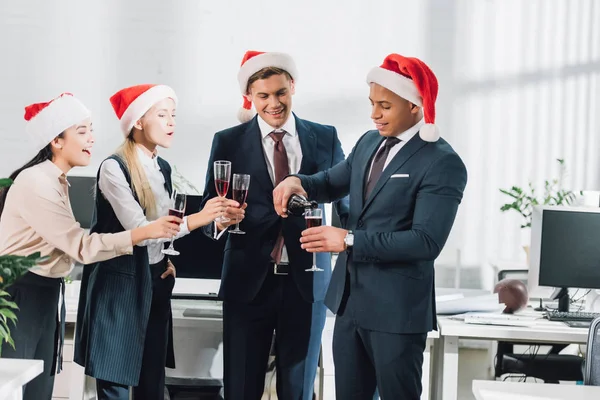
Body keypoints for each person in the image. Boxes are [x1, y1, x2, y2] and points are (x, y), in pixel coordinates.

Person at [273, 54, 468, 399]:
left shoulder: (442, 162)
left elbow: (425, 242)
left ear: (414, 104)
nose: (374, 113)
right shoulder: (368, 142)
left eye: (384, 105)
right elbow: (333, 181)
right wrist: (297, 181)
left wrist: (347, 240)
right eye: (372, 103)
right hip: (350, 305)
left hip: (397, 313)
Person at [0, 93, 181, 400]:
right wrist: (141, 234)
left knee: (37, 388)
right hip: (21, 293)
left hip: (44, 291)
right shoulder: (36, 182)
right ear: (56, 141)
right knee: (17, 387)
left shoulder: (56, 180)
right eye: (82, 131)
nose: (92, 139)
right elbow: (81, 246)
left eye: (92, 130)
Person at [74, 84, 240, 400]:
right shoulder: (113, 167)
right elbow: (141, 228)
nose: (171, 123)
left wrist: (164, 258)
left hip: (155, 281)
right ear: (137, 121)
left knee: (151, 382)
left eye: (173, 115)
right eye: (161, 115)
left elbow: (164, 228)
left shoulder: (161, 166)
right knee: (115, 384)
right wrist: (200, 217)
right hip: (119, 286)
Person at [201, 50, 349, 399]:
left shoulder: (324, 137)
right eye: (263, 96)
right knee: (240, 387)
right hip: (247, 281)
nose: (273, 103)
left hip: (308, 281)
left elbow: (347, 203)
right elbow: (210, 216)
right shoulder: (228, 141)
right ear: (250, 97)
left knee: (297, 389)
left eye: (280, 93)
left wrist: (360, 242)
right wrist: (219, 221)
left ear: (293, 87)